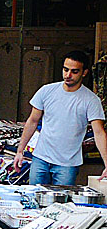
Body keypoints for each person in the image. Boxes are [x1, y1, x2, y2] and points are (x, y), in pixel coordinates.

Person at [14, 50, 107, 185]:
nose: (68, 75)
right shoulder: (46, 90)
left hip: (68, 163)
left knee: (61, 204)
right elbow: (32, 121)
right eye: (65, 70)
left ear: (84, 72)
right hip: (40, 158)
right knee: (32, 199)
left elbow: (99, 132)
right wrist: (20, 151)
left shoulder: (91, 100)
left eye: (74, 71)